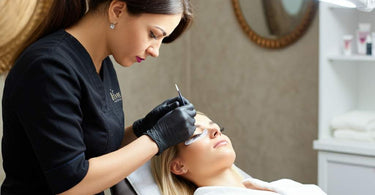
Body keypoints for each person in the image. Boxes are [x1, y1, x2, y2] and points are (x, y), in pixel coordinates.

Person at [1, 0, 196, 194]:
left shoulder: (102, 64)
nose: (155, 51)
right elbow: (72, 184)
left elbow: (97, 148)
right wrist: (157, 138)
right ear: (117, 10)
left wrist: (144, 128)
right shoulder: (49, 67)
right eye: (153, 34)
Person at [151, 112, 327, 195]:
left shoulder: (279, 186)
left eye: (216, 126)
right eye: (197, 133)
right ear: (178, 166)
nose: (215, 131)